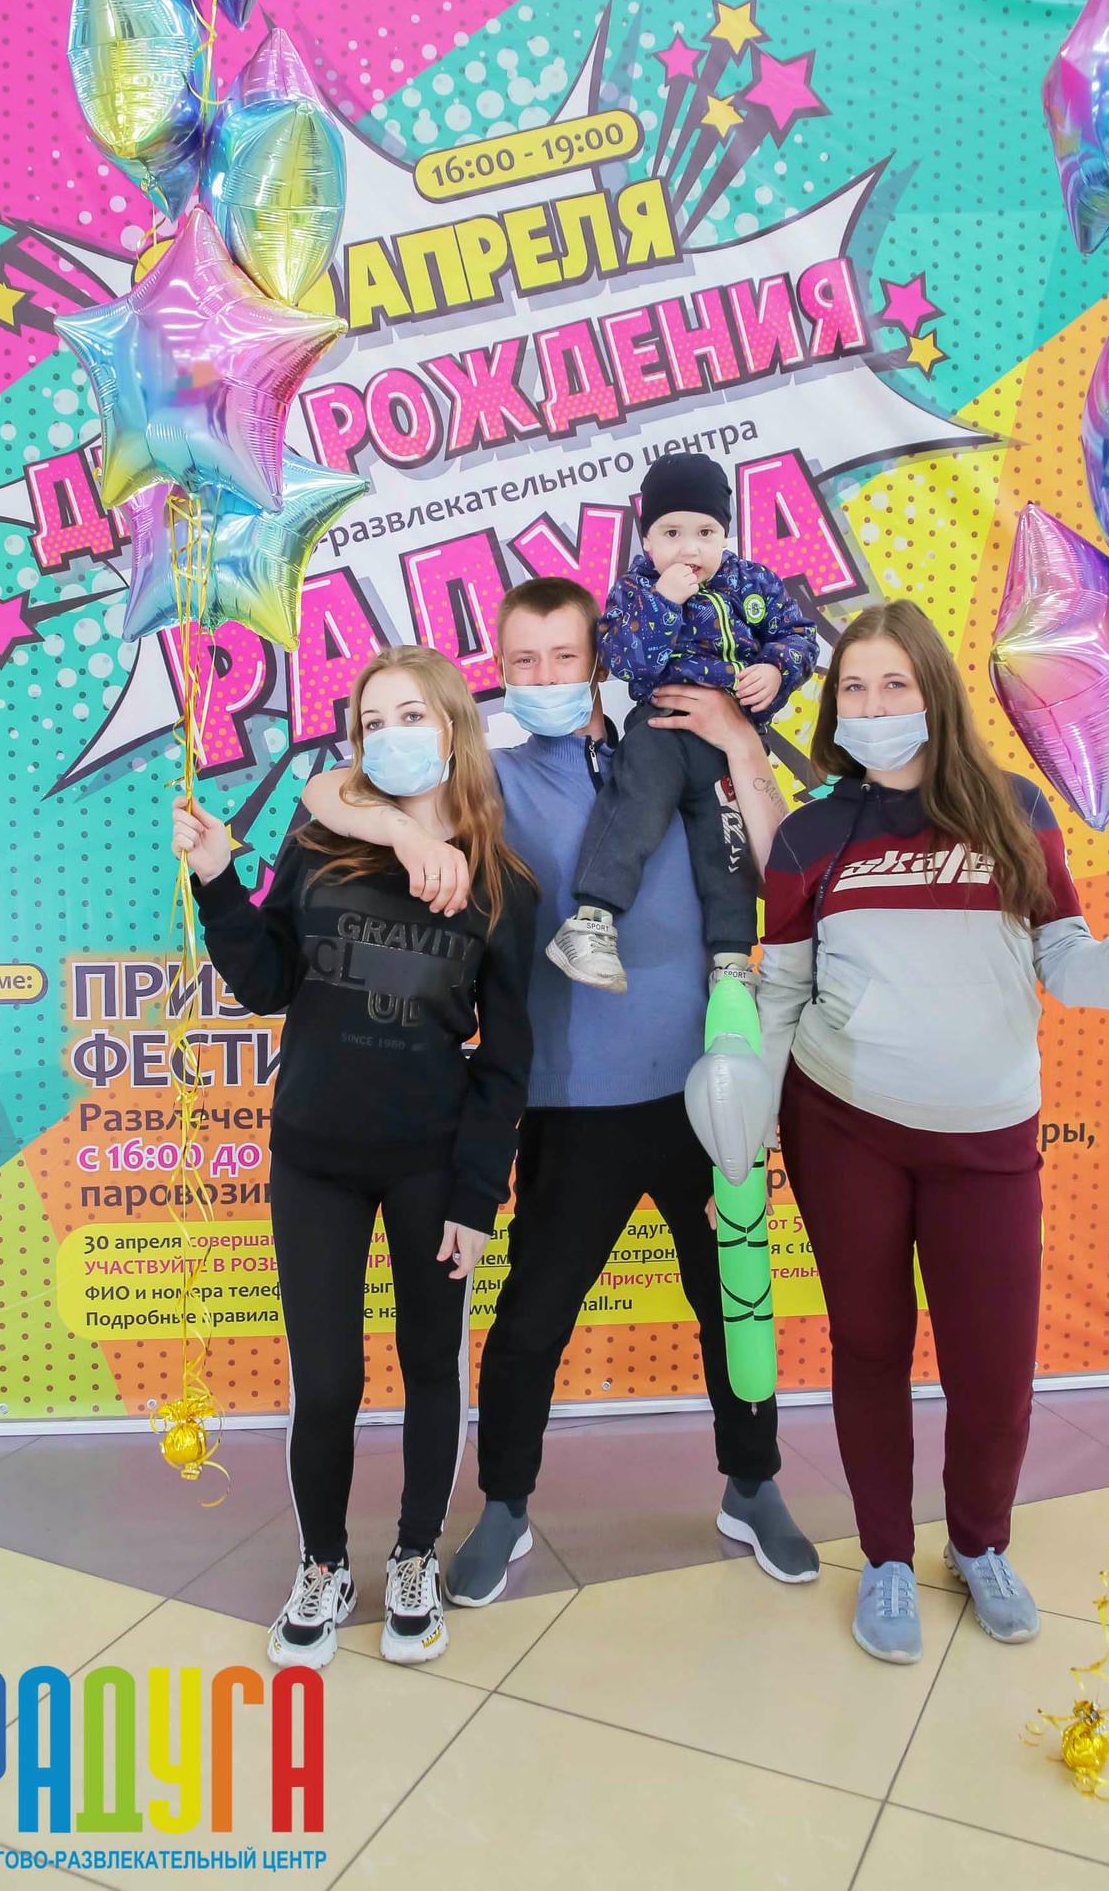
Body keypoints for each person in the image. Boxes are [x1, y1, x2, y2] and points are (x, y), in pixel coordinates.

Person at [303, 579, 820, 1605]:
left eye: (563, 657)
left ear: (601, 660)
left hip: (704, 1094)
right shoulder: (484, 783)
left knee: (733, 1305)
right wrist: (412, 839)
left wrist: (740, 741)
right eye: (522, 661)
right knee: (531, 1324)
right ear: (499, 670)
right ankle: (504, 1506)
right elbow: (330, 791)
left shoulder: (677, 751)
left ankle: (751, 1485)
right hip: (569, 1101)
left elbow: (782, 869)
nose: (543, 677)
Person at [755, 598, 1109, 1664]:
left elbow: (1065, 965)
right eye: (853, 689)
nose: (872, 707)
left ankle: (979, 1545)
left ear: (934, 694)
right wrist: (751, 1123)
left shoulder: (1014, 811)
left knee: (993, 1370)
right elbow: (779, 995)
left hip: (988, 1133)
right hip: (844, 1124)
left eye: (893, 685)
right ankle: (887, 1559)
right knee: (869, 1349)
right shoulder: (810, 834)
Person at [172, 645, 536, 1672]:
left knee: (431, 1371)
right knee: (326, 1382)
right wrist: (217, 881)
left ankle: (414, 1557)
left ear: (453, 727)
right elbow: (266, 982)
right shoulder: (322, 838)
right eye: (373, 722)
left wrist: (477, 1195)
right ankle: (323, 1565)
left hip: (432, 1166)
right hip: (314, 1158)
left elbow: (507, 1062)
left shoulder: (503, 885)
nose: (391, 737)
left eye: (411, 716)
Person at [545, 452, 818, 994]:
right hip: (661, 728)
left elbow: (800, 636)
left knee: (727, 847)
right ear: (648, 540)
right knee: (634, 807)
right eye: (671, 533)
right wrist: (664, 602)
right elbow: (625, 660)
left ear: (725, 535)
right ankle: (591, 921)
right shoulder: (635, 591)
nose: (689, 549)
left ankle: (732, 961)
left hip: (728, 742)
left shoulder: (753, 582)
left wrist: (774, 668)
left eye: (705, 532)